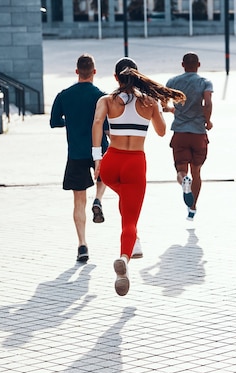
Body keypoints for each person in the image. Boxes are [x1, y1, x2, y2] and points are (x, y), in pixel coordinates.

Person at [92, 57, 186, 296]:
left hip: (111, 161)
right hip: (135, 162)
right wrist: (160, 109)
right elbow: (162, 132)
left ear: (116, 78)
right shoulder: (149, 102)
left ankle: (135, 242)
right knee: (131, 219)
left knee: (125, 199)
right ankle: (124, 258)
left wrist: (97, 158)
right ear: (137, 75)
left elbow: (96, 123)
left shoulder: (106, 100)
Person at [50, 53, 109, 263]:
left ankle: (82, 245)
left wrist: (71, 123)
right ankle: (99, 199)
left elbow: (54, 122)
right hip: (99, 151)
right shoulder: (102, 97)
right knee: (105, 179)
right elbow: (108, 127)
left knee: (78, 202)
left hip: (75, 153)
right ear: (94, 71)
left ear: (77, 72)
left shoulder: (64, 95)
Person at [164, 53, 213, 221]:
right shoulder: (205, 82)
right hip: (198, 132)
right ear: (198, 64)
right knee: (197, 171)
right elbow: (207, 103)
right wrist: (208, 120)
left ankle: (184, 180)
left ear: (182, 64)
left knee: (180, 169)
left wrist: (170, 109)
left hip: (180, 132)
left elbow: (163, 101)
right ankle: (192, 208)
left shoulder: (172, 82)